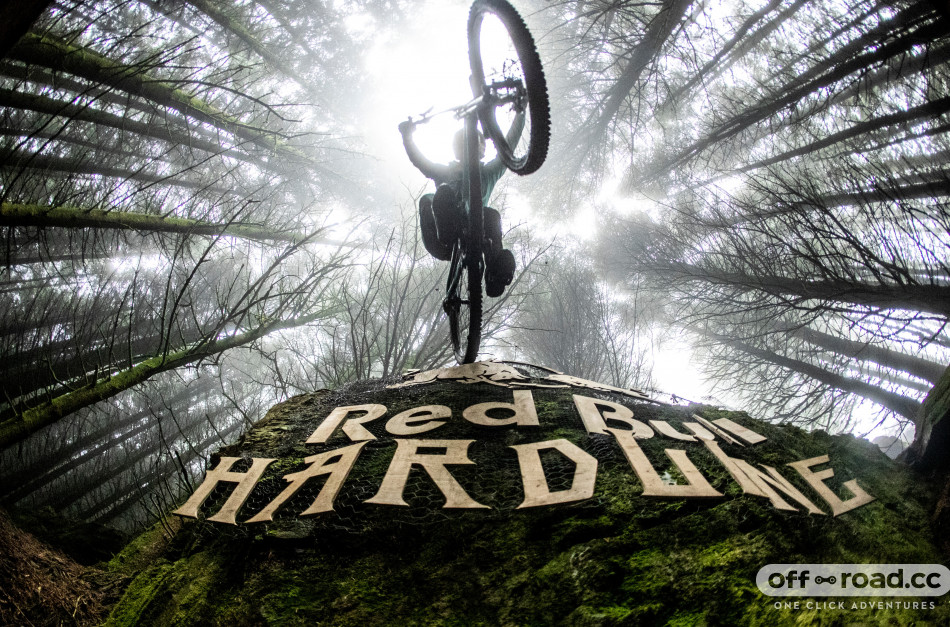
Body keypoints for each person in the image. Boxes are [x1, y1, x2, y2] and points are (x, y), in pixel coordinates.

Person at [398, 114, 523, 298]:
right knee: (434, 196)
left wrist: (521, 112)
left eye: (478, 141)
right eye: (463, 142)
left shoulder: (487, 173)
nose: (471, 145)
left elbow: (507, 148)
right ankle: (448, 232)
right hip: (442, 238)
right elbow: (420, 160)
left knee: (491, 215)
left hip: (476, 229)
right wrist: (407, 136)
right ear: (455, 150)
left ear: (483, 149)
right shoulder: (445, 172)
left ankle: (494, 271)